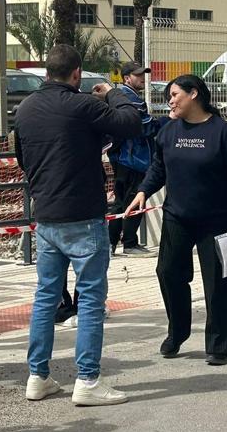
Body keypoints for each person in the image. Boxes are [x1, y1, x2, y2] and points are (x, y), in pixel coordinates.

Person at [14, 44, 142, 406]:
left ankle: (37, 376)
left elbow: (24, 158)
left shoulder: (26, 109)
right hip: (83, 215)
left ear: (45, 72)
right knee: (90, 300)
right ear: (76, 74)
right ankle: (88, 380)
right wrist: (113, 93)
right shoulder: (83, 105)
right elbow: (131, 124)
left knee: (46, 297)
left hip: (47, 215)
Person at [126, 75, 227, 366]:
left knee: (217, 284)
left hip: (218, 221)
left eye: (174, 94)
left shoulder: (223, 133)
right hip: (177, 217)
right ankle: (177, 331)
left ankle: (218, 345)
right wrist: (143, 191)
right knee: (168, 273)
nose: (170, 100)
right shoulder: (169, 132)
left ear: (194, 94)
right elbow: (158, 167)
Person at [108, 61, 161, 256]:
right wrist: (164, 122)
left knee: (123, 200)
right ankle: (129, 243)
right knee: (131, 200)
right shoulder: (128, 97)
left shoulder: (123, 96)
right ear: (127, 78)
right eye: (138, 75)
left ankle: (112, 243)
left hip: (127, 157)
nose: (142, 78)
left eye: (143, 74)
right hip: (131, 158)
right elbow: (143, 125)